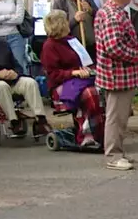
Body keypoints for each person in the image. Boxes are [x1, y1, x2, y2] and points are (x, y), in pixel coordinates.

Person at [94, 0, 138, 170]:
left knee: (121, 116)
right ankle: (113, 155)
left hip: (118, 74)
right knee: (115, 117)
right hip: (117, 75)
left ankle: (119, 151)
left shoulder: (109, 11)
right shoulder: (113, 16)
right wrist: (137, 54)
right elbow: (113, 47)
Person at [40, 12, 102, 147]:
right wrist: (74, 72)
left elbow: (86, 61)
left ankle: (100, 131)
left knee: (100, 89)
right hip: (62, 83)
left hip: (81, 79)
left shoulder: (71, 41)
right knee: (89, 94)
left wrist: (89, 69)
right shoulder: (49, 46)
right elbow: (53, 74)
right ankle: (86, 134)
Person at [0, 17, 44, 135]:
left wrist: (15, 73)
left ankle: (41, 119)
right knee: (1, 86)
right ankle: (14, 120)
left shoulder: (2, 44)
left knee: (30, 82)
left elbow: (16, 65)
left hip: (11, 79)